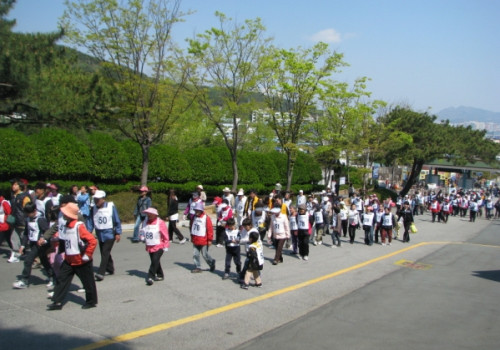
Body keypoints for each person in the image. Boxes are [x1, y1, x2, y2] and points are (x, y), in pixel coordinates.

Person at [46, 202, 97, 310]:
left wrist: (88, 254)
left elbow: (92, 240)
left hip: (81, 260)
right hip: (69, 259)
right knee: (61, 280)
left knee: (88, 282)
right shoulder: (66, 226)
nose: (63, 215)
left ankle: (91, 301)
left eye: (65, 213)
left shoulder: (79, 226)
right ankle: (57, 301)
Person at [12, 202, 54, 289]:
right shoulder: (28, 219)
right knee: (44, 260)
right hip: (32, 242)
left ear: (34, 211)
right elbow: (26, 233)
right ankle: (53, 277)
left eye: (29, 213)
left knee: (28, 260)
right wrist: (23, 246)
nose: (28, 215)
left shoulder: (40, 219)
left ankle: (25, 280)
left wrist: (43, 240)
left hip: (40, 244)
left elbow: (46, 231)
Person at [88, 190, 122, 281]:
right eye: (95, 199)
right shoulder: (93, 209)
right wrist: (88, 232)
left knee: (105, 252)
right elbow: (91, 222)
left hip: (109, 234)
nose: (96, 201)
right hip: (100, 234)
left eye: (98, 199)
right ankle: (110, 269)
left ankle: (101, 272)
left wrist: (118, 232)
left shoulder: (111, 206)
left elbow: (116, 219)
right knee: (104, 251)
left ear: (103, 199)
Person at [139, 207, 169, 286]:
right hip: (149, 245)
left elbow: (165, 235)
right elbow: (142, 231)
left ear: (155, 215)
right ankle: (160, 275)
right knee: (155, 261)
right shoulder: (145, 222)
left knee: (155, 260)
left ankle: (150, 277)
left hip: (159, 245)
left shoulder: (160, 222)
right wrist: (142, 237)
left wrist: (166, 245)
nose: (149, 215)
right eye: (148, 214)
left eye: (150, 214)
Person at [8, 179, 32, 263]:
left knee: (24, 238)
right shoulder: (13, 195)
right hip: (14, 221)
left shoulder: (25, 196)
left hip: (22, 220)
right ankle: (15, 255)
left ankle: (31, 254)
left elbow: (28, 208)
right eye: (13, 185)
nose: (13, 186)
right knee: (14, 238)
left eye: (15, 185)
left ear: (20, 186)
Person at [190, 201, 216, 273]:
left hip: (203, 240)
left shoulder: (206, 218)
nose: (196, 212)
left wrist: (210, 240)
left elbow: (209, 229)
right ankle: (198, 267)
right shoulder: (194, 218)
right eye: (195, 210)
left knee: (205, 254)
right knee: (195, 254)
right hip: (196, 238)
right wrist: (192, 236)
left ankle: (211, 262)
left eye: (198, 210)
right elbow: (192, 227)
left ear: (201, 211)